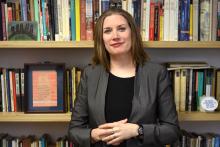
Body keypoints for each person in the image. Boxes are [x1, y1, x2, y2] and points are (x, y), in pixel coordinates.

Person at [68, 8, 180, 147]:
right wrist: (94, 135)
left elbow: (172, 130)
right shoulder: (90, 74)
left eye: (121, 29)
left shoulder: (157, 74)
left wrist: (138, 130)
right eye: (107, 31)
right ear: (101, 39)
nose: (115, 36)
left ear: (132, 33)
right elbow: (74, 131)